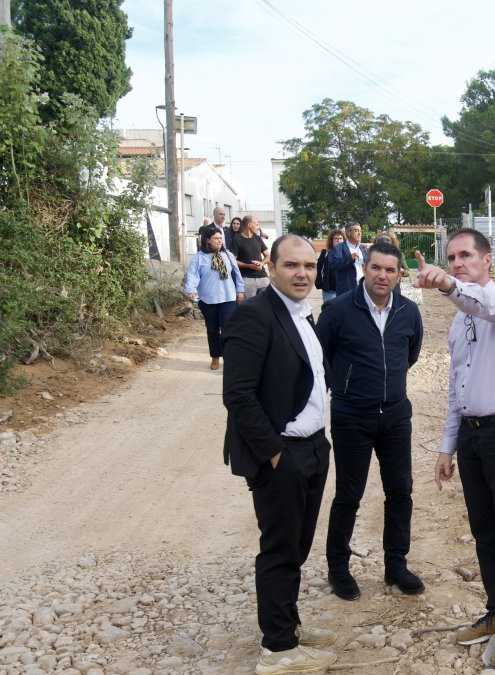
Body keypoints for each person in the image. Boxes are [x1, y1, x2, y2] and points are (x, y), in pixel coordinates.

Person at [415, 229, 495, 669]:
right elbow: (457, 388)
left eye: (466, 255)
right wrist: (447, 446)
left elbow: (483, 304)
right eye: (451, 258)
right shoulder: (457, 321)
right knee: (484, 531)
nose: (457, 263)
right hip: (472, 433)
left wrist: (448, 285)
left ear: (487, 260)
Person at [222, 235, 337, 674]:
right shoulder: (254, 316)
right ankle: (279, 649)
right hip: (282, 454)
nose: (302, 274)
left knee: (297, 548)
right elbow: (238, 394)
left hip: (313, 447)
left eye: (309, 266)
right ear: (270, 267)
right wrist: (274, 455)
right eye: (291, 265)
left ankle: (288, 626)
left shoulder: (302, 313)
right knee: (279, 551)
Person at [316, 239, 424, 600]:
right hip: (351, 416)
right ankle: (338, 569)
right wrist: (346, 386)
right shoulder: (338, 310)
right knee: (349, 494)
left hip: (395, 415)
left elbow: (409, 355)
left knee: (400, 491)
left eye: (390, 270)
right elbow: (321, 357)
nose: (382, 275)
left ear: (399, 274)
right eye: (376, 267)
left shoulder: (408, 311)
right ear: (364, 268)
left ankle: (396, 565)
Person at [184, 227, 244, 370]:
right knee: (212, 330)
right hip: (209, 299)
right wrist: (191, 289)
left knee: (228, 330)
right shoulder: (199, 257)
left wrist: (240, 290)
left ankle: (230, 359)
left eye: (221, 238)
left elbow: (237, 273)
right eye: (216, 238)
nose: (219, 241)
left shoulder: (227, 255)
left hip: (228, 297)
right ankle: (215, 357)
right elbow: (192, 275)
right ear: (208, 240)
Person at [231, 215, 270, 299]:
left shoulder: (258, 238)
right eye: (256, 224)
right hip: (247, 279)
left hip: (263, 278)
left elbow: (268, 256)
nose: (258, 227)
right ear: (249, 225)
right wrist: (249, 266)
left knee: (266, 305)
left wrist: (261, 263)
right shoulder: (236, 240)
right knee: (250, 306)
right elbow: (233, 260)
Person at [326, 223, 366, 293]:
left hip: (363, 288)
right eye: (356, 231)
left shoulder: (363, 248)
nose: (359, 233)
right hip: (347, 289)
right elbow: (334, 265)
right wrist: (349, 258)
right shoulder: (338, 248)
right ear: (348, 233)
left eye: (360, 231)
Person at [315, 229, 345, 303]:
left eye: (340, 238)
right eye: (336, 238)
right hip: (329, 291)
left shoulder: (348, 253)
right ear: (331, 240)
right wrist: (319, 283)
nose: (338, 240)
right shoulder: (325, 253)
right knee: (329, 309)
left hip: (345, 290)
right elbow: (318, 268)